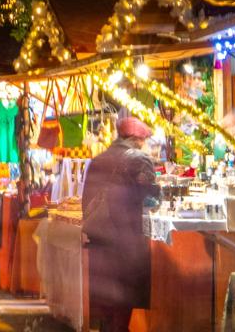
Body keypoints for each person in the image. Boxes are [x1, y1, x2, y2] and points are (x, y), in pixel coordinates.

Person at [81, 117, 159, 332]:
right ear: (137, 139)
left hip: (98, 238)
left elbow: (86, 200)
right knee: (124, 300)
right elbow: (149, 197)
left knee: (107, 301)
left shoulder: (98, 160)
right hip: (126, 239)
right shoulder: (140, 160)